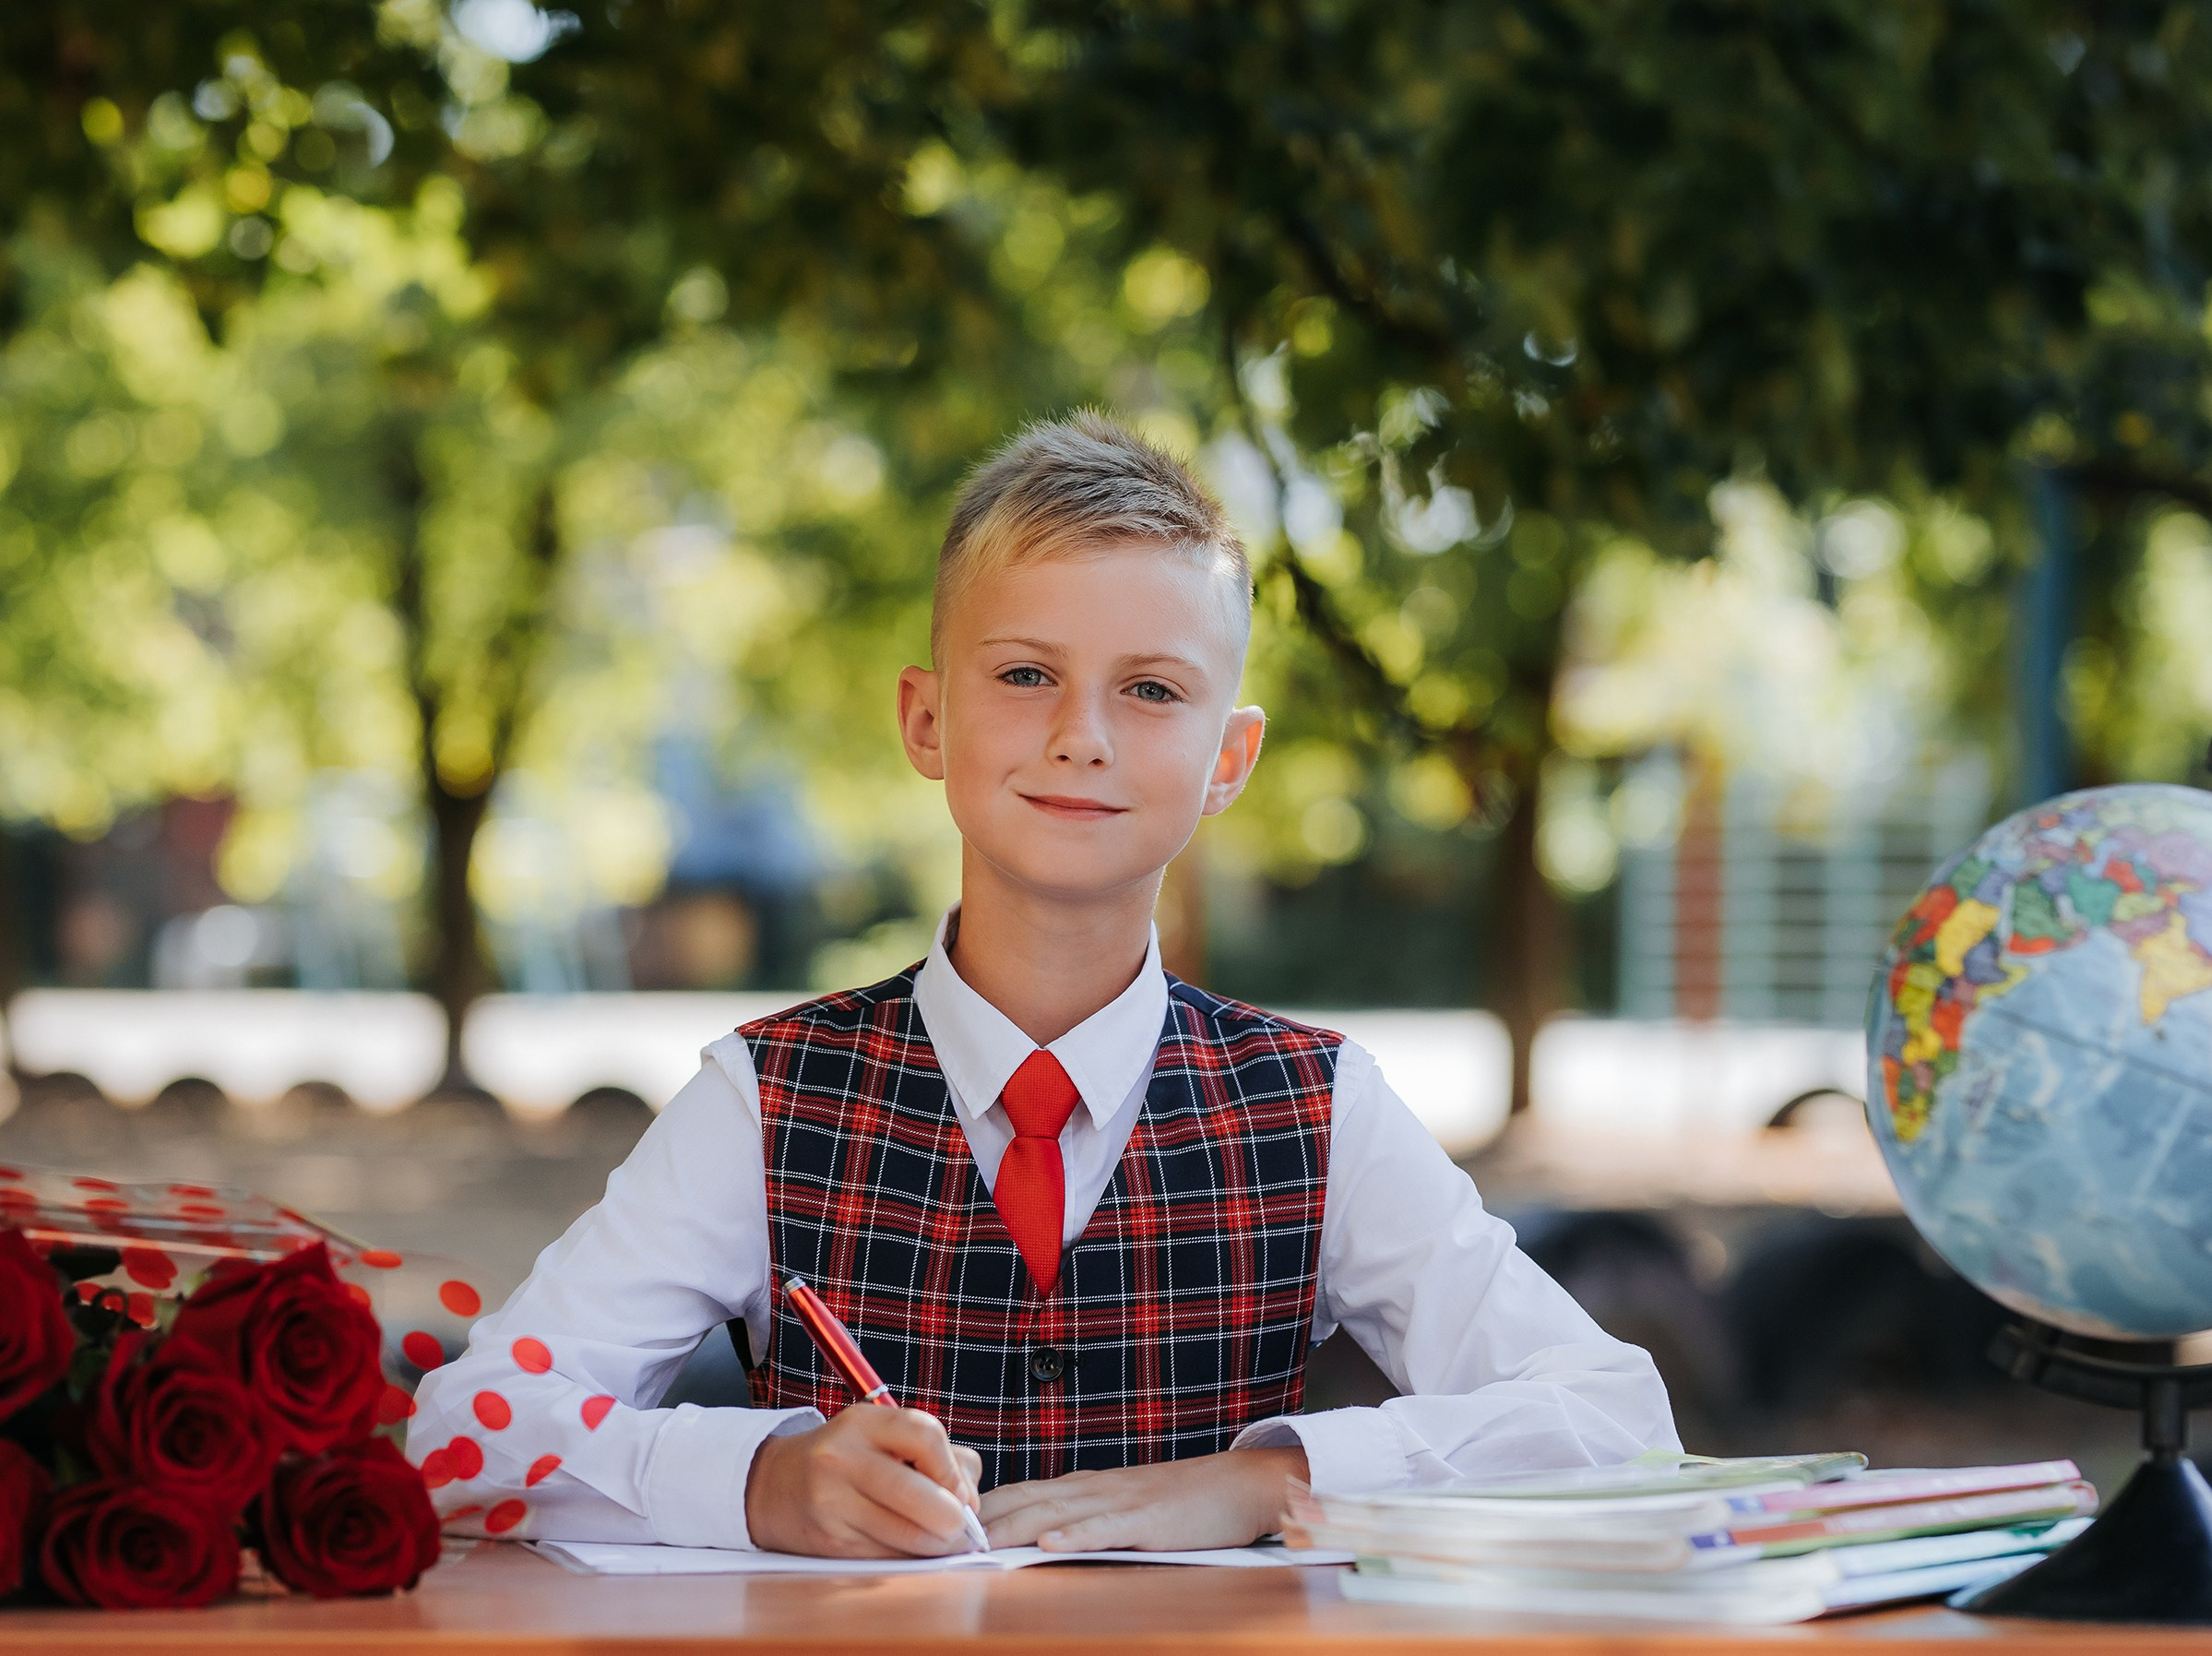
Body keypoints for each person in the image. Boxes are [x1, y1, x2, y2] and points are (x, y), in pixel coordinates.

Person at [409, 412, 1678, 1558]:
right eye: (1025, 675)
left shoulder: (1317, 1106)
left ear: (1229, 759)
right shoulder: (767, 1097)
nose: (1083, 735)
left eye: (1152, 689)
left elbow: (1615, 1422)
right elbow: (467, 1430)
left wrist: (1268, 1481)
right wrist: (758, 1482)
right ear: (926, 720)